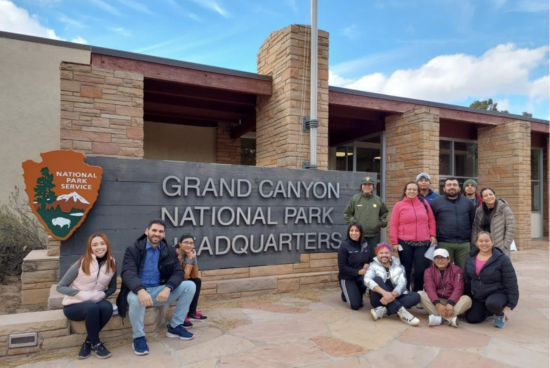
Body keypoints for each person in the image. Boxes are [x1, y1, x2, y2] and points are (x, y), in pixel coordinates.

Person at [116, 219, 196, 356]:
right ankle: (138, 337)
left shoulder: (170, 250)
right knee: (135, 300)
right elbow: (127, 273)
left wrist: (168, 288)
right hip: (138, 291)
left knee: (190, 285)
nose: (156, 234)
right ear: (147, 231)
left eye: (160, 231)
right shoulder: (133, 250)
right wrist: (140, 290)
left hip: (159, 291)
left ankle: (175, 326)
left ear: (164, 234)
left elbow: (178, 272)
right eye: (154, 230)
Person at [57, 233, 117, 359]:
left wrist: (101, 295)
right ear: (90, 248)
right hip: (73, 305)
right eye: (94, 245)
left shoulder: (112, 264)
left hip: (94, 302)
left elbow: (112, 288)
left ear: (107, 245)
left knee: (107, 307)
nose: (99, 247)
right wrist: (81, 294)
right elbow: (61, 286)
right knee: (92, 308)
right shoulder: (82, 262)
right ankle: (96, 344)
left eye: (102, 243)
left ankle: (88, 342)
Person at [464, 232, 519, 328]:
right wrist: (469, 294)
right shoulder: (470, 258)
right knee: (472, 319)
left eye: (487, 241)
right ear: (476, 243)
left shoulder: (502, 259)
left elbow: (511, 281)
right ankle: (490, 310)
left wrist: (511, 304)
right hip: (479, 295)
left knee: (492, 303)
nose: (484, 243)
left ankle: (499, 314)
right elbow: (467, 278)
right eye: (481, 241)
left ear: (492, 242)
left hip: (497, 293)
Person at [390, 181, 437, 292]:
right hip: (404, 242)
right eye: (409, 189)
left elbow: (431, 220)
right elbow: (393, 224)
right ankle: (405, 292)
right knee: (405, 269)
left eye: (414, 189)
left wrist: (433, 235)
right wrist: (394, 242)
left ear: (418, 192)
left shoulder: (424, 203)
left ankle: (418, 294)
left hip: (423, 242)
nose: (412, 191)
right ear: (405, 191)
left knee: (420, 270)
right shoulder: (399, 205)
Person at [365, 243, 421, 326]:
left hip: (393, 296)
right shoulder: (372, 266)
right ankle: (401, 311)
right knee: (377, 279)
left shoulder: (399, 266)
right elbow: (367, 280)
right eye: (381, 253)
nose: (384, 255)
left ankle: (383, 310)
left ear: (390, 254)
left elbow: (402, 282)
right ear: (377, 254)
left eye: (386, 253)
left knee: (416, 296)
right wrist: (385, 293)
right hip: (378, 298)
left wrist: (392, 295)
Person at [418, 248, 472, 327]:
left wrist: (451, 303)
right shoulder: (428, 271)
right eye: (437, 258)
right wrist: (437, 304)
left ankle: (439, 319)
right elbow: (430, 288)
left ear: (448, 259)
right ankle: (449, 319)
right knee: (420, 294)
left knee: (467, 299)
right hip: (437, 300)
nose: (440, 260)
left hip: (453, 301)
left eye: (443, 258)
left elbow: (459, 288)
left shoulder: (457, 270)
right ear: (433, 260)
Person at [430, 177, 474, 269]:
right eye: (449, 185)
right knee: (443, 270)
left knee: (464, 270)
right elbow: (431, 221)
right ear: (444, 188)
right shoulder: (436, 203)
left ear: (459, 188)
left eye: (454, 185)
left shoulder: (467, 202)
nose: (452, 187)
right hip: (444, 242)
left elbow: (472, 221)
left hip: (464, 244)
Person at [344, 175, 388, 258]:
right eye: (364, 184)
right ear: (361, 186)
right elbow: (347, 214)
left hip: (374, 236)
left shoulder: (378, 200)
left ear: (373, 186)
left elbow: (384, 212)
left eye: (369, 184)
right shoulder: (355, 199)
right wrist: (354, 222)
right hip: (358, 236)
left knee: (373, 257)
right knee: (358, 257)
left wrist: (382, 222)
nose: (367, 187)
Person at [471, 188, 516, 256]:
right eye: (485, 195)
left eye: (491, 194)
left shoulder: (504, 209)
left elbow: (511, 227)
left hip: (500, 246)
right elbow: (475, 227)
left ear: (494, 195)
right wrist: (475, 242)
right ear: (482, 199)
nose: (489, 197)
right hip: (484, 246)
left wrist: (506, 244)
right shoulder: (479, 211)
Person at [176, 234, 208, 328]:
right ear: (180, 244)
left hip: (180, 280)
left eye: (191, 243)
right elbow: (183, 277)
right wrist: (190, 259)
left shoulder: (187, 253)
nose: (189, 245)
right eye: (186, 242)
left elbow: (194, 275)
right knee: (189, 283)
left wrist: (193, 258)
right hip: (169, 283)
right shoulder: (176, 254)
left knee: (196, 281)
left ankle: (192, 313)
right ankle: (182, 315)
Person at [337, 222, 370, 310]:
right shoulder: (344, 246)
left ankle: (356, 293)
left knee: (370, 279)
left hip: (360, 276)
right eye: (351, 230)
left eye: (356, 231)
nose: (354, 233)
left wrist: (367, 263)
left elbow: (368, 258)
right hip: (347, 277)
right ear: (348, 232)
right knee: (355, 305)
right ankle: (345, 293)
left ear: (360, 232)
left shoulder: (365, 244)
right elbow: (342, 267)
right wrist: (358, 272)